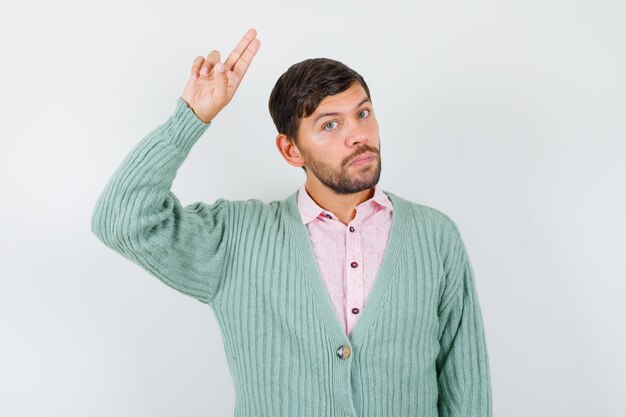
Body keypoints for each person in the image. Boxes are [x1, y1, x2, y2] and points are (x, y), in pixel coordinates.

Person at [91, 28, 492, 417]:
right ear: (290, 150)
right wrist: (190, 119)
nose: (358, 135)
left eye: (363, 113)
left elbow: (465, 387)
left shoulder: (435, 236)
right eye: (330, 124)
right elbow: (122, 221)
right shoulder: (235, 238)